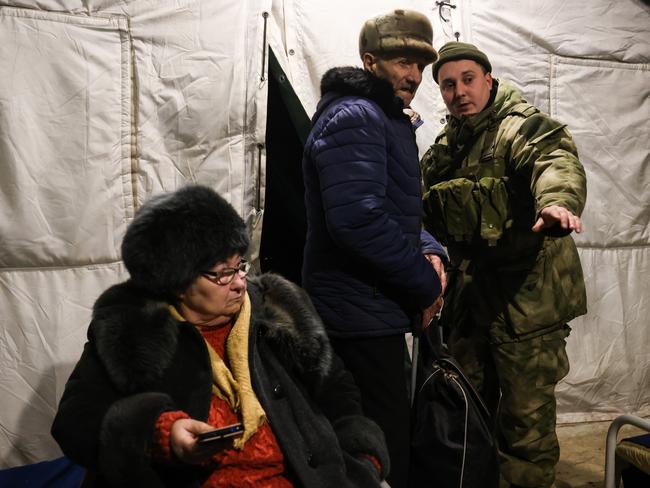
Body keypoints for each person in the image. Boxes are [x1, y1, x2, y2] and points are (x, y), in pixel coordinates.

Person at [51, 185, 390, 488]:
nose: (240, 282)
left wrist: (363, 460)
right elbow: (76, 421)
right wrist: (161, 432)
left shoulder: (278, 312)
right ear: (177, 281)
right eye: (222, 273)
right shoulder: (133, 329)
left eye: (240, 265)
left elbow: (337, 390)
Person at [420, 41, 587, 488]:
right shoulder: (445, 147)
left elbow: (553, 160)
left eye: (468, 80)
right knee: (466, 410)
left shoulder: (519, 127)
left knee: (523, 428)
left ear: (488, 81)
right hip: (472, 302)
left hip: (527, 306)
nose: (459, 92)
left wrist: (557, 203)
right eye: (448, 84)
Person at [301, 9, 446, 488]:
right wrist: (425, 284)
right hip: (358, 314)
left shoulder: (384, 117)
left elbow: (396, 211)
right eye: (402, 61)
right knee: (377, 448)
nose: (413, 75)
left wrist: (432, 252)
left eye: (420, 65)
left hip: (375, 306)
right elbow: (358, 220)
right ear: (370, 61)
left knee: (385, 438)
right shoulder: (357, 116)